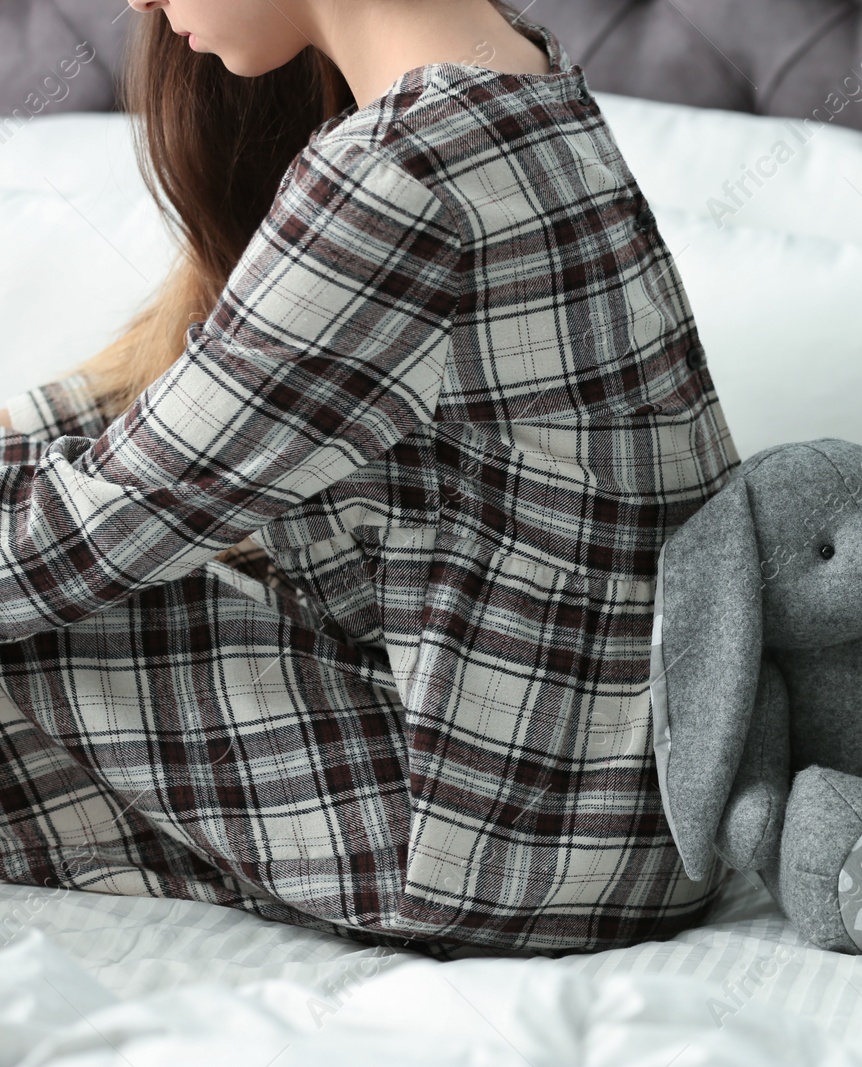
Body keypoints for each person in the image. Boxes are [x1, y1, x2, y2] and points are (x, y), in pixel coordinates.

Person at [0, 0, 738, 956]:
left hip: (491, 844)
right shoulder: (519, 81)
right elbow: (208, 404)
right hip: (630, 823)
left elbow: (105, 527)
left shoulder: (401, 171)